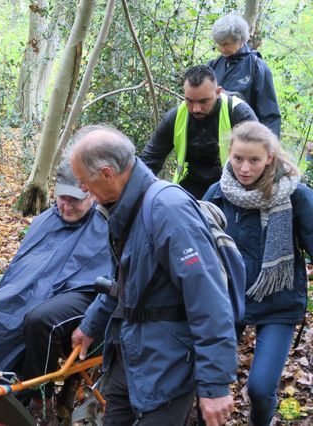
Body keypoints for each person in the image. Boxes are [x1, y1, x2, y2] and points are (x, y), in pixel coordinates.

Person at [70, 125, 238, 426]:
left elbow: (209, 300)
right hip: (129, 353)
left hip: (167, 363)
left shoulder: (168, 211)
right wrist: (91, 324)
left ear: (108, 173)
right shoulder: (123, 208)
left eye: (84, 182)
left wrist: (214, 386)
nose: (83, 190)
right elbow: (122, 280)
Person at [0, 158, 114, 426]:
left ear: (91, 193)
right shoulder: (48, 220)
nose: (66, 206)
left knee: (40, 319)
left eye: (75, 201)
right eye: (62, 199)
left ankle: (39, 401)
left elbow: (109, 275)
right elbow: (24, 269)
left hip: (84, 294)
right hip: (32, 290)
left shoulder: (107, 224)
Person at [203, 121, 313, 426]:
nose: (245, 168)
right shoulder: (217, 193)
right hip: (227, 301)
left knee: (261, 389)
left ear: (270, 158)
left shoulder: (296, 196)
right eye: (238, 158)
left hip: (278, 303)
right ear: (229, 154)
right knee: (206, 384)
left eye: (254, 160)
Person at [140, 64, 257, 199]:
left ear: (218, 92)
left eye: (204, 101)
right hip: (191, 189)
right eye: (189, 101)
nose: (196, 109)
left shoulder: (238, 113)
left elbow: (261, 157)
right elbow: (149, 160)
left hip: (232, 188)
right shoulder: (176, 117)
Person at [209, 13, 281, 137]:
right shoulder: (213, 66)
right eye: (219, 44)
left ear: (240, 39)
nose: (221, 48)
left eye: (225, 44)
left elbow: (270, 115)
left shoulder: (256, 67)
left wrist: (270, 147)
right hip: (213, 141)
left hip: (244, 140)